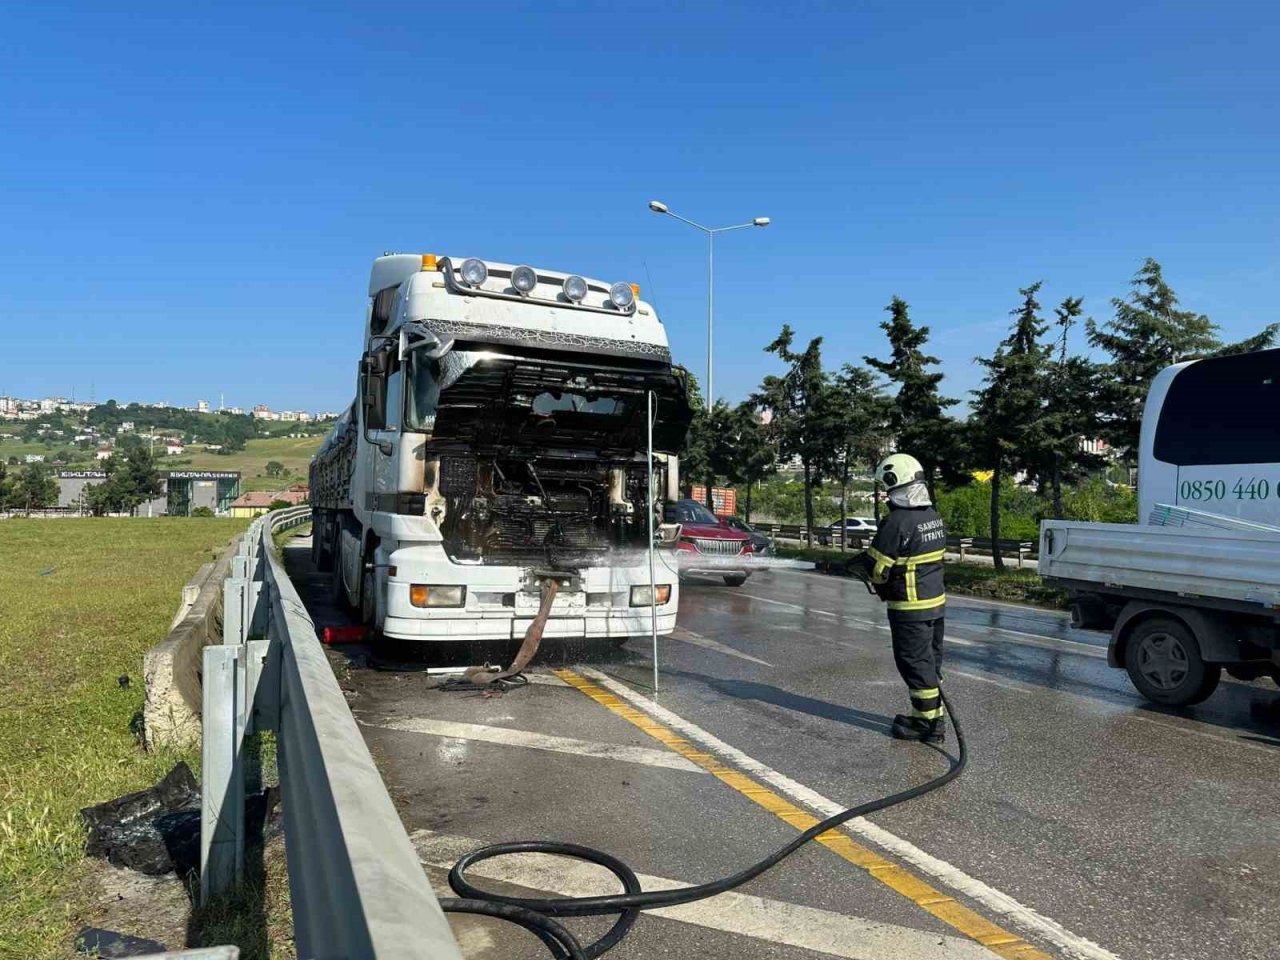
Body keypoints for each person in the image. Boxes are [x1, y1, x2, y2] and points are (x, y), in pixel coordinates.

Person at [866, 453, 948, 743]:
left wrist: (877, 582)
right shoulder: (932, 517)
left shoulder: (896, 521)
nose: (885, 496)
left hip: (909, 608)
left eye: (886, 489)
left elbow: (877, 568)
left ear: (895, 483)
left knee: (914, 664)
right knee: (929, 664)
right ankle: (928, 717)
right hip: (935, 606)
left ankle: (927, 727)